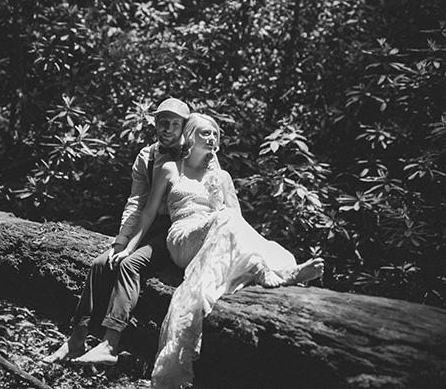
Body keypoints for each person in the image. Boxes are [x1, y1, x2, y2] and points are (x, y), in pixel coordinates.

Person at [114, 113, 324, 389]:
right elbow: (148, 212)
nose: (212, 138)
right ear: (189, 136)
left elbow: (238, 222)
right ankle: (267, 272)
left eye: (215, 134)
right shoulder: (168, 169)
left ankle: (275, 270)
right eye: (205, 133)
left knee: (228, 216)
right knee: (224, 217)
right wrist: (127, 246)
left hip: (214, 239)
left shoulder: (222, 177)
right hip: (182, 238)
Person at [44, 97, 192, 366]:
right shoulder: (147, 156)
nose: (168, 129)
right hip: (149, 223)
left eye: (175, 124)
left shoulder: (196, 153)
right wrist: (121, 242)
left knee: (129, 265)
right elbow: (137, 203)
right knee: (102, 263)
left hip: (180, 228)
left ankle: (109, 344)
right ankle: (76, 339)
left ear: (184, 127)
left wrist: (131, 250)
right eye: (163, 122)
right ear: (155, 124)